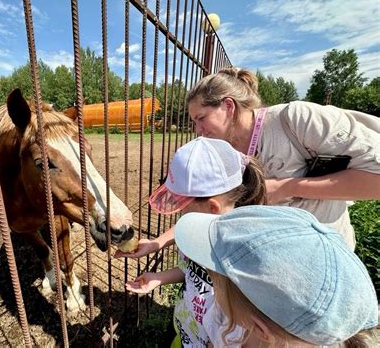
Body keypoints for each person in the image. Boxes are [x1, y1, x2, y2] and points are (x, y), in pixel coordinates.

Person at [185, 67, 380, 249]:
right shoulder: (224, 150)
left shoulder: (295, 119)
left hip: (325, 259)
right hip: (271, 263)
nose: (198, 130)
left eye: (201, 118)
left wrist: (286, 187)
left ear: (228, 106)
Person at [122, 136, 267, 347]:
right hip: (187, 331)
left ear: (212, 208)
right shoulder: (203, 234)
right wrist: (158, 278)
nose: (180, 215)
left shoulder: (242, 259)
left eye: (183, 209)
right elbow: (192, 270)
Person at [174, 206, 378, 347]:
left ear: (260, 329)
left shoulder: (232, 327)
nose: (213, 286)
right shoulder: (231, 323)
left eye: (217, 282)